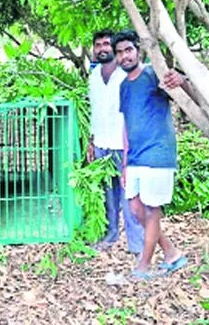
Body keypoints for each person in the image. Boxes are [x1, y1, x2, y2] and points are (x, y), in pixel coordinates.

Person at [114, 31, 190, 280]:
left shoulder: (152, 74)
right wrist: (125, 163)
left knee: (151, 210)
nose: (124, 56)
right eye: (120, 53)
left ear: (138, 50)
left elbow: (184, 94)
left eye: (128, 50)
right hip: (135, 157)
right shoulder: (124, 86)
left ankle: (143, 265)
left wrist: (182, 80)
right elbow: (126, 125)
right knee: (136, 210)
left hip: (158, 154)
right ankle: (171, 254)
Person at [87, 30, 144, 254]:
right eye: (98, 45)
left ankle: (137, 244)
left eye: (106, 44)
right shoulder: (93, 76)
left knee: (129, 193)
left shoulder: (126, 75)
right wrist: (92, 141)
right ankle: (111, 234)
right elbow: (93, 110)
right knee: (108, 193)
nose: (102, 48)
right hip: (102, 143)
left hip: (124, 144)